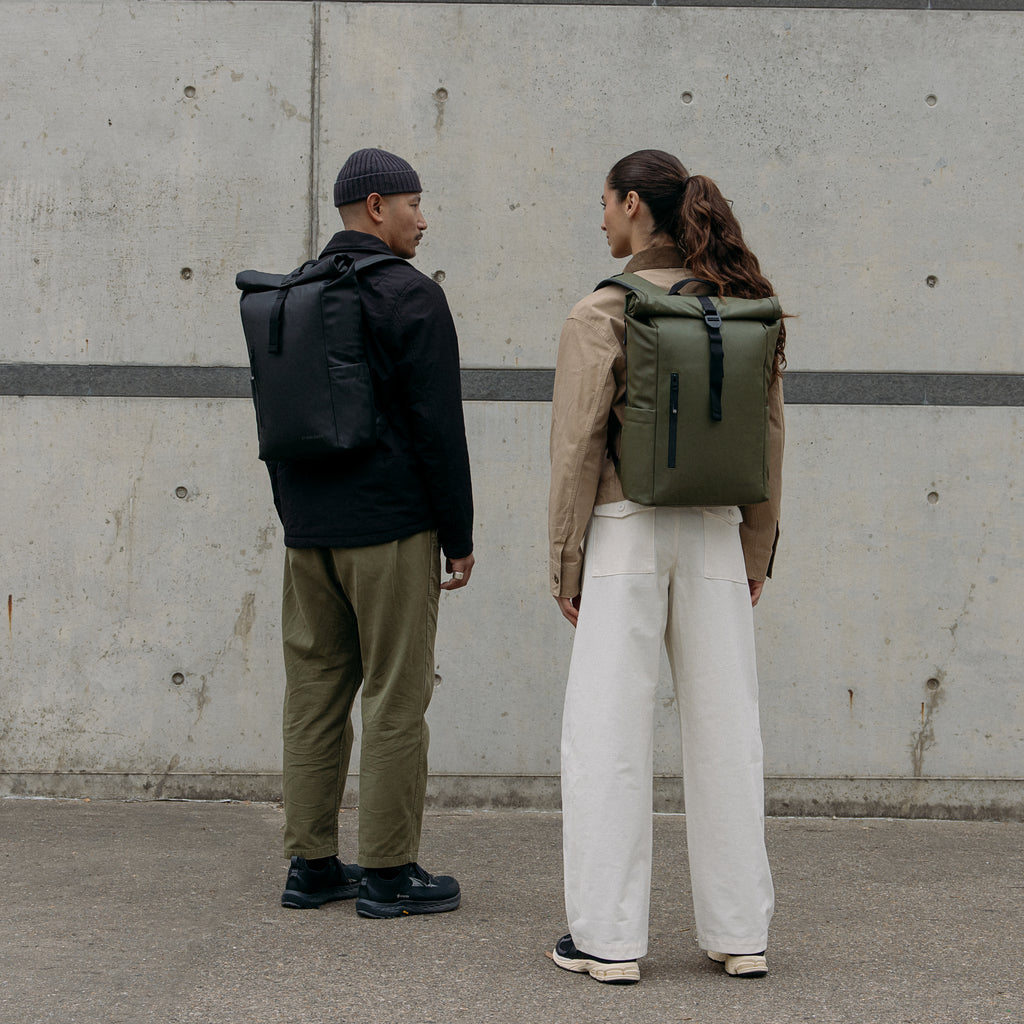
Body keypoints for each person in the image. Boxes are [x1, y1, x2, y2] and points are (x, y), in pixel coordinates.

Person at [547, 150, 786, 983]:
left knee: (607, 735)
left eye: (605, 203)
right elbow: (767, 438)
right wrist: (754, 550)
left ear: (633, 207)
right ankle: (739, 933)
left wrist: (566, 563)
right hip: (719, 530)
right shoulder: (746, 301)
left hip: (625, 531)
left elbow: (579, 447)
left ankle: (609, 940)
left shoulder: (601, 310)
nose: (601, 219)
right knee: (728, 734)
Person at [270, 148, 474, 918]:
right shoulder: (410, 296)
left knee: (315, 692)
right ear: (377, 204)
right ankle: (389, 875)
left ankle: (311, 865)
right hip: (390, 529)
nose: (424, 219)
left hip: (308, 534)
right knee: (395, 695)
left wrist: (298, 519)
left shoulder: (293, 292)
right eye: (416, 203)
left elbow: (274, 423)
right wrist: (458, 533)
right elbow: (437, 429)